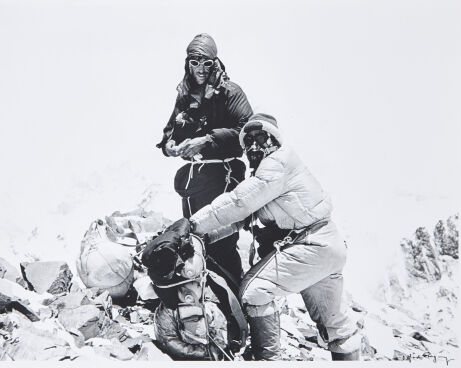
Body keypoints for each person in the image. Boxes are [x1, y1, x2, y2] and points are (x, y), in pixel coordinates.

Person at [188, 113, 361, 361]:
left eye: (261, 138)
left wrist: (192, 224)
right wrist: (203, 236)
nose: (254, 146)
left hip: (310, 244)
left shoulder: (277, 163)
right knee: (336, 324)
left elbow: (238, 204)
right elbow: (242, 219)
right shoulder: (270, 174)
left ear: (275, 139)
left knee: (254, 291)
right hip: (326, 247)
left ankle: (268, 359)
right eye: (248, 142)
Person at [156, 33, 253, 290]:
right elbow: (170, 131)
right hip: (195, 180)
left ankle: (235, 301)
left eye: (206, 62)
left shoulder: (231, 93)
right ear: (187, 63)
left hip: (225, 176)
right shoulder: (185, 94)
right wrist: (169, 144)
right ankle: (209, 300)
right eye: (194, 61)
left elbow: (248, 132)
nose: (200, 68)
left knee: (222, 241)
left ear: (215, 62)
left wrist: (207, 141)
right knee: (197, 238)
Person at [141, 218, 248, 360]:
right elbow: (168, 340)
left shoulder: (209, 305)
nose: (201, 286)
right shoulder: (167, 311)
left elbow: (221, 328)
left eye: (199, 284)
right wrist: (200, 353)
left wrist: (219, 347)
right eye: (197, 284)